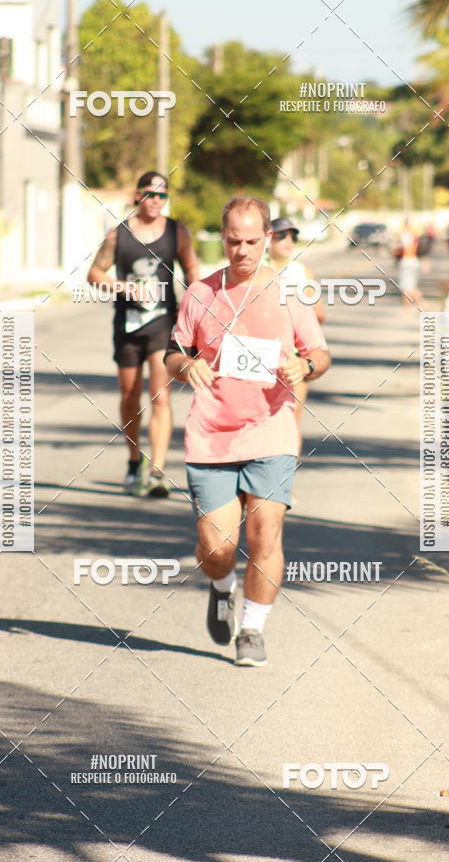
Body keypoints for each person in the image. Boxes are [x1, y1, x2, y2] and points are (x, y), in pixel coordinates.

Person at [164, 196, 330, 667]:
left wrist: (305, 366)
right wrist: (186, 366)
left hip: (270, 430)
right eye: (234, 241)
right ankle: (222, 587)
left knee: (265, 534)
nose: (242, 251)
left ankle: (253, 630)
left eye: (252, 241)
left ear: (268, 238)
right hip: (211, 434)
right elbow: (173, 353)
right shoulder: (201, 294)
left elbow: (319, 352)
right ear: (223, 238)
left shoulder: (288, 293)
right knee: (218, 547)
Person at [87, 171, 199, 495]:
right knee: (130, 395)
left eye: (162, 195)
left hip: (162, 323)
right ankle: (135, 461)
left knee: (160, 396)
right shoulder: (118, 234)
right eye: (150, 193)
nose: (155, 200)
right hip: (127, 324)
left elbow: (191, 270)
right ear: (138, 195)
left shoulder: (176, 232)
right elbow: (94, 274)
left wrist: (196, 304)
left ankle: (157, 471)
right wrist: (123, 287)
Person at [268, 217, 325, 451]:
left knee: (292, 414)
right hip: (262, 353)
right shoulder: (255, 269)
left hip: (294, 356)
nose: (288, 241)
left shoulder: (302, 272)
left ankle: (287, 470)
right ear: (268, 238)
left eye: (293, 236)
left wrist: (296, 313)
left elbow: (319, 314)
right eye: (281, 236)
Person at [393, 220, 425, 311]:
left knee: (406, 288)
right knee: (411, 287)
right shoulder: (414, 235)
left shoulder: (406, 236)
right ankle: (421, 305)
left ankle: (407, 308)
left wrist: (397, 251)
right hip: (414, 261)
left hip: (407, 261)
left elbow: (406, 249)